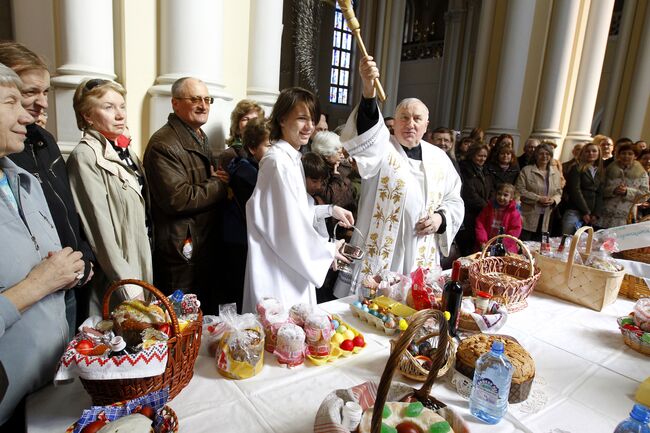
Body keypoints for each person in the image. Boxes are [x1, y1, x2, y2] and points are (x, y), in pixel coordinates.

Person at [332, 56, 464, 297]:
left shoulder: (440, 158)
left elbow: (454, 200)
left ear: (427, 125)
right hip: (381, 252)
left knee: (413, 309)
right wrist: (369, 91)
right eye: (404, 117)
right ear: (393, 121)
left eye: (417, 119)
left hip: (421, 251)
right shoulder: (381, 146)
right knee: (369, 312)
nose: (410, 124)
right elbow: (367, 126)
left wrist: (440, 219)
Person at [0, 63, 85, 427]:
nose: (26, 115)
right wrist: (39, 284)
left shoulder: (22, 180)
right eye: (11, 102)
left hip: (48, 385)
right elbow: (39, 279)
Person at [0, 41, 94, 330]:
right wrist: (38, 284)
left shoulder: (44, 142)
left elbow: (65, 208)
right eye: (27, 94)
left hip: (65, 281)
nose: (40, 104)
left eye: (45, 92)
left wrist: (83, 257)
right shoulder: (12, 151)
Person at [242, 87, 353, 312]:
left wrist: (329, 210)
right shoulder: (277, 163)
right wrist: (328, 249)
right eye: (302, 118)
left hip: (289, 262)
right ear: (282, 119)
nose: (309, 127)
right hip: (277, 267)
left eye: (312, 119)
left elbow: (293, 210)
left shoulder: (291, 158)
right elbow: (287, 227)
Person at [143, 77, 228, 312]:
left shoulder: (198, 135)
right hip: (181, 250)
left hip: (201, 243)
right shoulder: (164, 144)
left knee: (201, 317)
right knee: (180, 318)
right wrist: (219, 186)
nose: (203, 105)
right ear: (175, 103)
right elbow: (178, 199)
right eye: (194, 99)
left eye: (207, 99)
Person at [67, 78, 151, 315]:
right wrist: (127, 284)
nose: (120, 115)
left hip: (137, 259)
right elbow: (100, 231)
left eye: (122, 106)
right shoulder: (85, 156)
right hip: (117, 273)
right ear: (87, 116)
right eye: (108, 107)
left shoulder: (124, 152)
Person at [220, 118, 270, 312]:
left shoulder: (252, 168)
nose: (272, 150)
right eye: (267, 145)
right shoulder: (246, 173)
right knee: (237, 292)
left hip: (242, 238)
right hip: (238, 241)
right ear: (251, 148)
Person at [515, 142, 563, 241]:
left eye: (547, 154)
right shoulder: (527, 171)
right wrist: (538, 198)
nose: (544, 156)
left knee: (538, 247)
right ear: (536, 155)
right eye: (541, 153)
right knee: (523, 246)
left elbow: (559, 192)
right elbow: (520, 190)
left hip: (546, 217)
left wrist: (554, 200)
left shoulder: (555, 172)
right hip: (528, 215)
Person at [310, 130, 358, 220]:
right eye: (338, 153)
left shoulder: (343, 167)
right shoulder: (317, 171)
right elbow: (329, 198)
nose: (342, 155)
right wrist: (336, 178)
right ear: (326, 155)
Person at [600, 143, 649, 228]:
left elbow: (645, 194)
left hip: (626, 215)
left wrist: (627, 191)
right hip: (605, 213)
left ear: (635, 156)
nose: (626, 156)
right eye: (623, 153)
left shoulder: (642, 173)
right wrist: (613, 190)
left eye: (630, 154)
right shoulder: (609, 170)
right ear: (619, 155)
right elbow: (600, 189)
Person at [457, 143, 494, 255]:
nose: (482, 159)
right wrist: (486, 206)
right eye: (479, 155)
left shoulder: (485, 170)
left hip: (482, 213)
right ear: (472, 155)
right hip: (469, 213)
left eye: (484, 156)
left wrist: (490, 204)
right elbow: (469, 193)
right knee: (466, 245)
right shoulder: (465, 169)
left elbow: (492, 188)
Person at [561, 142, 604, 234]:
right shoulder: (576, 168)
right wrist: (585, 211)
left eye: (594, 151)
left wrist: (596, 214)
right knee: (567, 238)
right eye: (587, 151)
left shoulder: (600, 171)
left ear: (599, 153)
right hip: (575, 210)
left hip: (591, 213)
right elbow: (575, 190)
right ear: (582, 153)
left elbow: (600, 193)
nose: (591, 153)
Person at [475, 183, 522, 253]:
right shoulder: (488, 208)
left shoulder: (513, 213)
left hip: (505, 248)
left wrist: (503, 244)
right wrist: (482, 241)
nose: (501, 197)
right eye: (499, 194)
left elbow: (515, 230)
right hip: (486, 245)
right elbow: (480, 223)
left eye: (505, 195)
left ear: (511, 197)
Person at [219, 99, 264, 170]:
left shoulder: (266, 149)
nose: (251, 123)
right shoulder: (229, 155)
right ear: (237, 127)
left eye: (255, 119)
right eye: (245, 119)